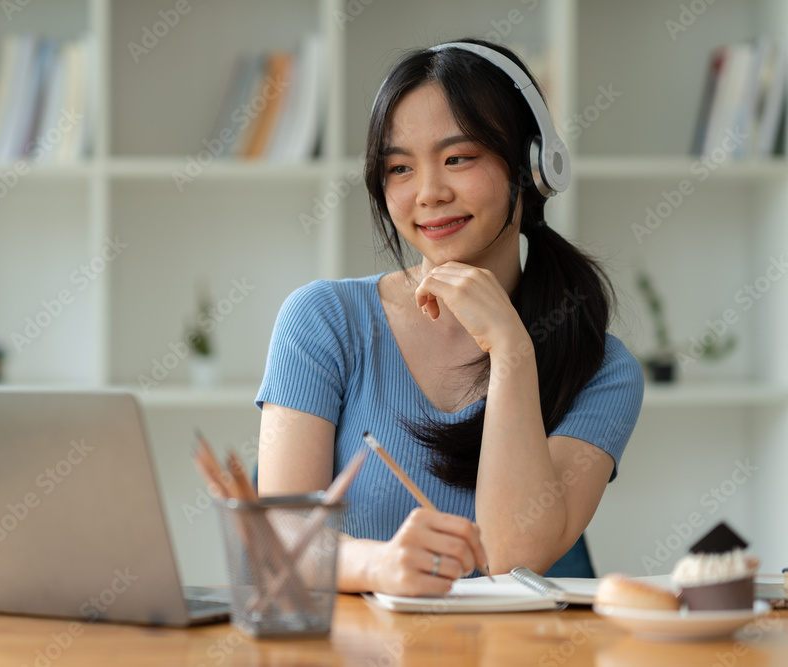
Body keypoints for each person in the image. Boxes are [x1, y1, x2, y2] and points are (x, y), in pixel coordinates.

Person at [255, 38, 644, 597]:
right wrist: (381, 566)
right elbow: (281, 538)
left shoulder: (602, 367)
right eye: (399, 168)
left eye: (458, 158)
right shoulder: (322, 321)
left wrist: (511, 352)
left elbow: (512, 555)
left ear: (533, 168)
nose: (429, 193)